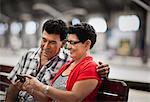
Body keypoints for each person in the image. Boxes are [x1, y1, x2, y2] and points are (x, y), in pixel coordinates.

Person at [6, 19, 109, 102]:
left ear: (62, 44)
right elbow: (14, 87)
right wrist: (31, 89)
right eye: (44, 40)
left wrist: (40, 87)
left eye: (52, 42)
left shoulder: (68, 60)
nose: (46, 46)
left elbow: (74, 97)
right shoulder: (68, 65)